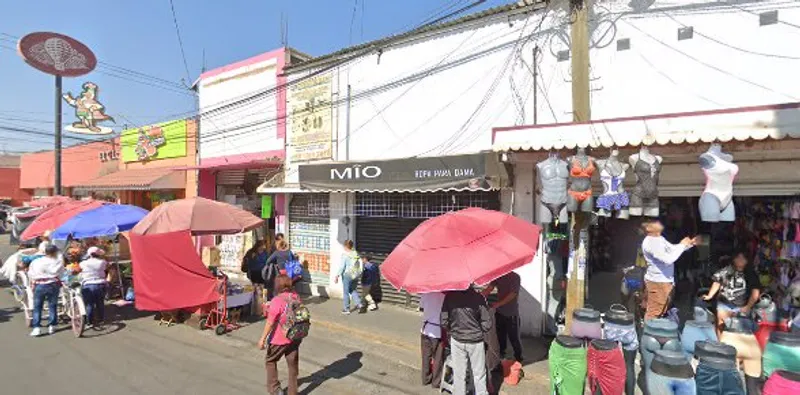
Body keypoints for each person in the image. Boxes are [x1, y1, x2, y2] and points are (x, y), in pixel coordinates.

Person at [641, 220, 698, 320]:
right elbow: (668, 259)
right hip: (658, 282)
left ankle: (655, 333)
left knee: (661, 310)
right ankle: (649, 334)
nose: (658, 222)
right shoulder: (650, 242)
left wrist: (688, 244)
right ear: (648, 229)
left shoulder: (659, 239)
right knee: (654, 313)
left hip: (665, 281)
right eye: (654, 222)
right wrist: (682, 245)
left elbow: (672, 249)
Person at [441, 285, 492, 395]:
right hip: (476, 341)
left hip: (457, 340)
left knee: (459, 375)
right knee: (479, 375)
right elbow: (487, 323)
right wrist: (478, 331)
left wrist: (452, 330)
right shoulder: (478, 298)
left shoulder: (449, 297)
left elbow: (444, 321)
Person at [258, 275, 301, 395]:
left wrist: (262, 339)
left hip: (279, 339)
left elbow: (270, 323)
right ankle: (293, 391)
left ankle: (275, 389)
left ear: (278, 285)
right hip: (294, 338)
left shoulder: (277, 300)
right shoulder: (295, 296)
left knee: (270, 361)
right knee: (292, 365)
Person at [703, 251, 761, 336]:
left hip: (742, 306)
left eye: (743, 258)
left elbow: (755, 292)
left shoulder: (752, 274)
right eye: (738, 257)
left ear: (747, 260)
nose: (740, 260)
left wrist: (748, 306)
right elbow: (717, 282)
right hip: (724, 303)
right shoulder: (726, 270)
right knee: (720, 325)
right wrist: (710, 295)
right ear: (733, 259)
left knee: (739, 330)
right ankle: (720, 345)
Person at [482, 271, 524, 362]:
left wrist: (498, 304)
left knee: (514, 338)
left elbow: (513, 294)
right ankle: (501, 358)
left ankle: (519, 358)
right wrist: (478, 297)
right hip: (500, 312)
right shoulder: (499, 275)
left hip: (511, 313)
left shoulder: (515, 277)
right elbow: (489, 288)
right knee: (500, 337)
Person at [27, 244, 65, 337]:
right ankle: (52, 325)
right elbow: (61, 273)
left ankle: (36, 327)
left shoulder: (36, 261)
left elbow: (31, 273)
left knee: (38, 306)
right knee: (53, 305)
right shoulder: (58, 262)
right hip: (53, 284)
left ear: (45, 252)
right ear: (55, 252)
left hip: (39, 284)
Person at [420, 292, 446, 389]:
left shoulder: (426, 293)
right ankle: (436, 382)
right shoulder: (445, 296)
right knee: (438, 358)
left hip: (426, 329)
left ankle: (425, 378)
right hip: (438, 331)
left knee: (426, 356)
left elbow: (421, 307)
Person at [79, 246, 108, 328]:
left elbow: (78, 269)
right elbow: (106, 267)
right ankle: (101, 319)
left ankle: (89, 322)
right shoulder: (103, 262)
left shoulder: (83, 263)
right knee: (100, 303)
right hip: (101, 283)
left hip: (88, 284)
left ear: (89, 254)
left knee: (89, 304)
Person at [334, 240, 362, 315]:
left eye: (344, 246)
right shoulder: (355, 253)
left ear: (346, 246)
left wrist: (337, 275)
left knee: (346, 292)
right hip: (355, 275)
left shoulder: (345, 255)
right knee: (352, 289)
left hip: (347, 275)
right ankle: (359, 304)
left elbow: (342, 267)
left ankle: (346, 309)